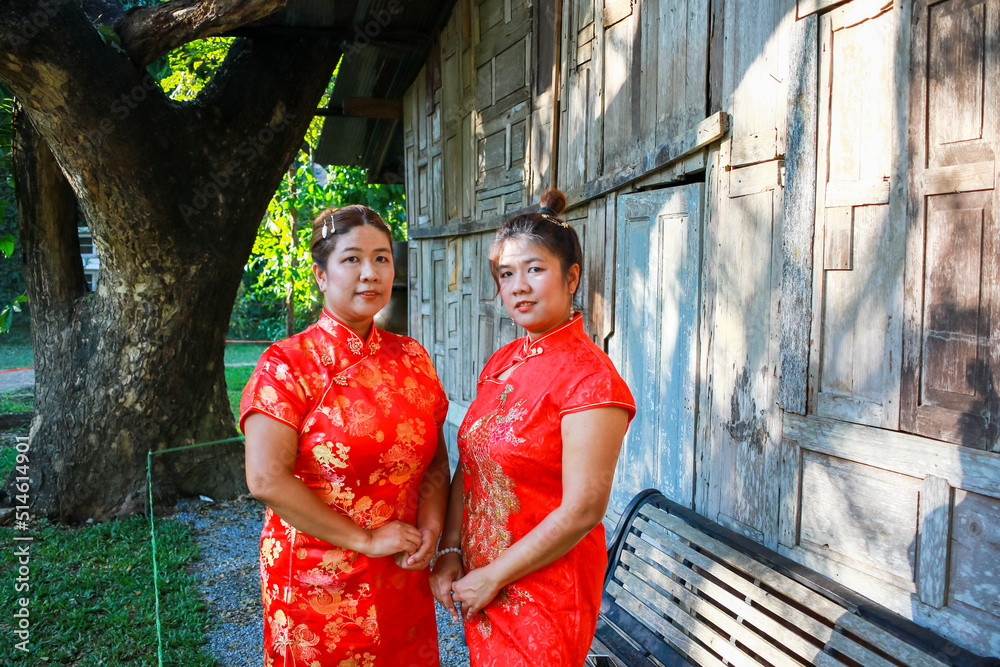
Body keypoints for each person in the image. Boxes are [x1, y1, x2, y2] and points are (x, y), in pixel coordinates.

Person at [429, 189, 636, 666]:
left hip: (545, 586)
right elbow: (474, 463)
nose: (518, 286)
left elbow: (583, 509)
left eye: (534, 270)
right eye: (506, 275)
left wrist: (494, 575)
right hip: (484, 577)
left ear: (572, 277)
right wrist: (451, 548)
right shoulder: (501, 363)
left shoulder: (591, 379)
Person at [241, 205, 450, 667]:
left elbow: (436, 460)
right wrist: (366, 540)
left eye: (381, 259)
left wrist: (433, 529)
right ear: (321, 275)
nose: (369, 273)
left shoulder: (412, 358)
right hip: (318, 578)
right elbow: (266, 479)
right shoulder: (287, 365)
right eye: (352, 259)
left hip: (401, 564)